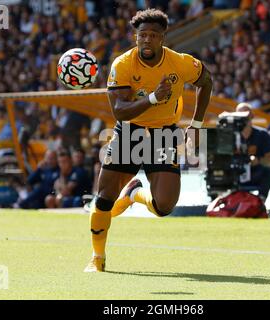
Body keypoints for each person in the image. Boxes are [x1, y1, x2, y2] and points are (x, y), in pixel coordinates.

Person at [84, 9, 212, 272]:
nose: (147, 40)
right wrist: (154, 97)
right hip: (129, 133)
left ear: (163, 38)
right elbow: (119, 110)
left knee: (164, 207)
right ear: (135, 37)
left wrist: (196, 125)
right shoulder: (122, 65)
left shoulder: (180, 63)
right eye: (143, 35)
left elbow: (206, 82)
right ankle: (98, 257)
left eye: (153, 35)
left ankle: (134, 194)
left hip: (164, 134)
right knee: (105, 198)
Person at [236, 103, 270, 200]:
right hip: (236, 172)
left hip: (255, 172)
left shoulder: (262, 134)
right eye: (240, 114)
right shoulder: (230, 135)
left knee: (269, 171)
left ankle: (261, 198)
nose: (243, 117)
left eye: (246, 114)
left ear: (252, 116)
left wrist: (257, 160)